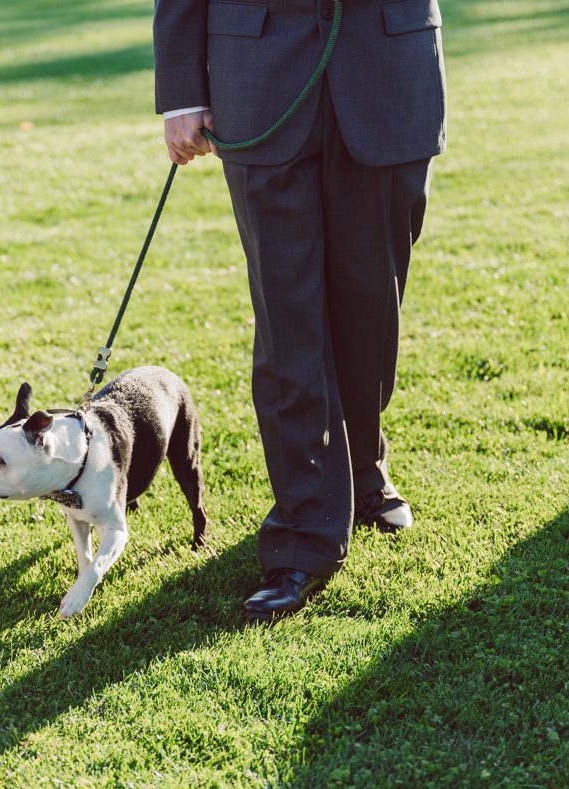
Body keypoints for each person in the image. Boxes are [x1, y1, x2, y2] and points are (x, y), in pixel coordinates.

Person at [154, 0, 447, 620]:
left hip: (388, 69)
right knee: (288, 323)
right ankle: (302, 537)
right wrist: (182, 90)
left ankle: (363, 470)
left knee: (371, 312)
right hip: (258, 74)